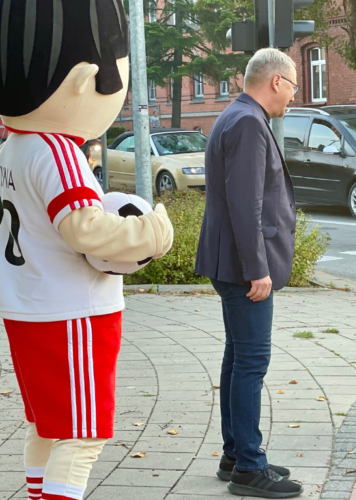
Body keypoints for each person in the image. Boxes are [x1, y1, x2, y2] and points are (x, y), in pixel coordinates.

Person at [0, 2, 174, 499]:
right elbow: (85, 228)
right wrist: (153, 233)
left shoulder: (12, 146)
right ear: (84, 80)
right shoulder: (58, 149)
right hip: (71, 312)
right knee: (81, 435)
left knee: (49, 427)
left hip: (27, 306)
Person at [195, 48, 300, 498]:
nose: (293, 98)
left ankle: (236, 453)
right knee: (251, 362)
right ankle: (248, 469)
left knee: (238, 358)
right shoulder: (249, 123)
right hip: (244, 268)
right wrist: (258, 270)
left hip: (231, 262)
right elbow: (246, 204)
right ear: (276, 81)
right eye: (293, 87)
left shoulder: (237, 116)